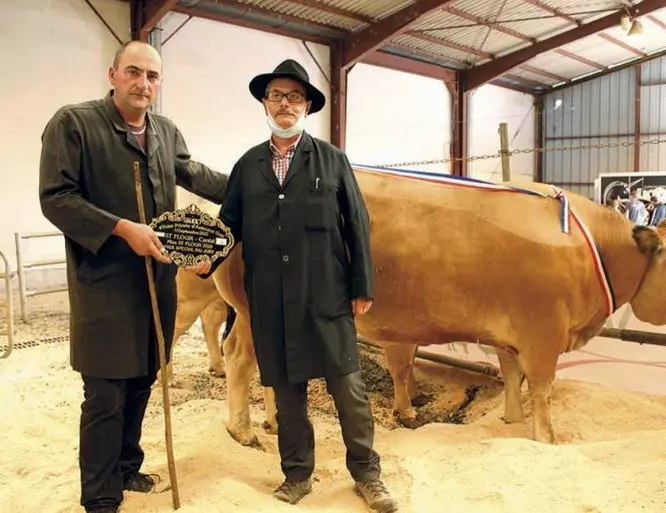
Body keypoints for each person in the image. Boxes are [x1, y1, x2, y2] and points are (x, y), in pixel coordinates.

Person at [189, 59, 398, 512]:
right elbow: (229, 225)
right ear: (265, 103)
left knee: (350, 391)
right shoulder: (248, 166)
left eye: (294, 97)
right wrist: (207, 260)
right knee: (286, 395)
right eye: (277, 96)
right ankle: (297, 475)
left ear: (307, 106)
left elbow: (357, 224)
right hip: (271, 298)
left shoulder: (332, 160)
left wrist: (362, 284)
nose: (285, 104)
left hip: (327, 294)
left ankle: (367, 474)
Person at [38, 40, 228, 513]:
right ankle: (101, 495)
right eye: (134, 72)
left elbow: (193, 173)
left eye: (153, 76)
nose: (144, 83)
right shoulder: (74, 123)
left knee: (143, 379)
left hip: (156, 287)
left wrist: (255, 182)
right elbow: (56, 197)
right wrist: (122, 229)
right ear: (113, 74)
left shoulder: (164, 130)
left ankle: (127, 467)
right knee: (105, 392)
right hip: (104, 285)